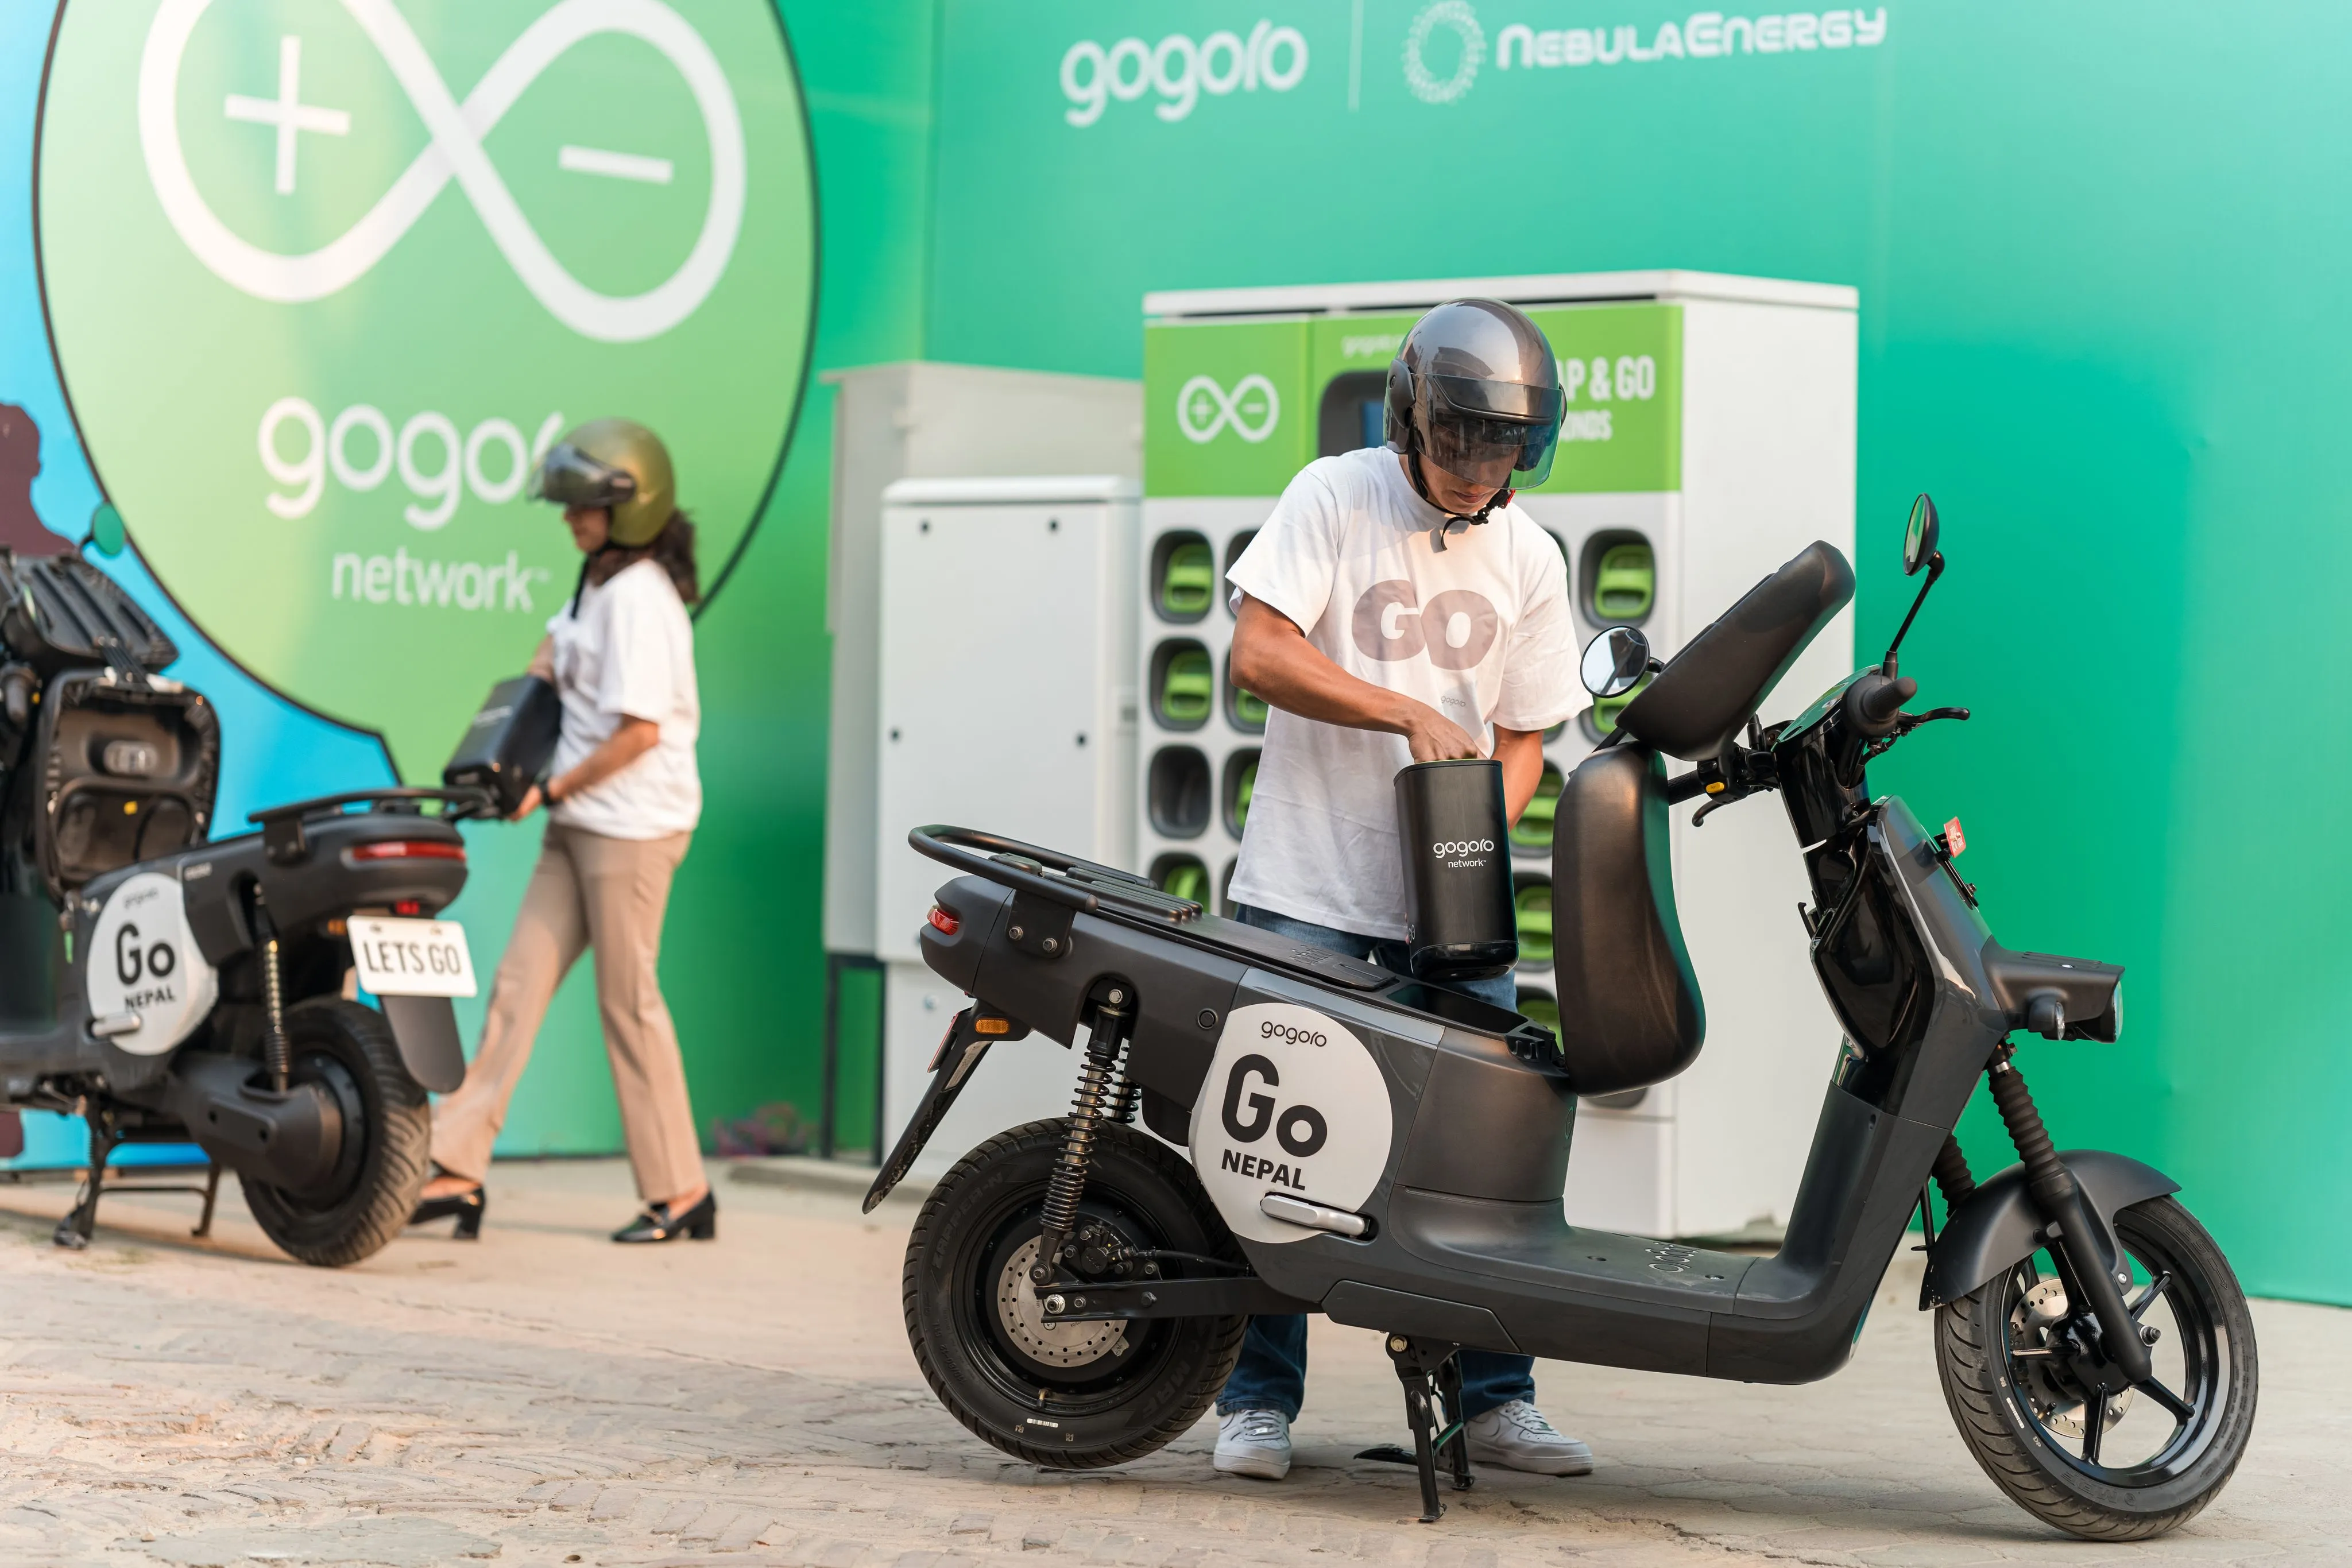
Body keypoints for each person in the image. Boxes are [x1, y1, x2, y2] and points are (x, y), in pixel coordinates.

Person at [1212, 300, 1592, 1481]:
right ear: (1411, 416)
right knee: (1271, 1149)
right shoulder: (1333, 495)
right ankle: (1254, 1401)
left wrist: (1475, 829)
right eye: (1462, 449)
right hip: (1302, 889)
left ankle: (1494, 1399)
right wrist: (1406, 712)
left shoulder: (1531, 556)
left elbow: (1527, 733)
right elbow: (1257, 653)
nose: (1480, 478)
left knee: (1484, 1152)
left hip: (1450, 914)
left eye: (1504, 454)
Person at [411, 419, 713, 1245]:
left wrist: (544, 787)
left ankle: (681, 1191)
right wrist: (514, 723)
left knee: (628, 1001)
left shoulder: (641, 599)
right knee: (515, 988)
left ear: (629, 509)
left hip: (631, 831)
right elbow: (556, 648)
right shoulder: (598, 582)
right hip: (579, 822)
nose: (569, 517)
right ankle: (455, 1166)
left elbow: (639, 731)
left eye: (581, 505)